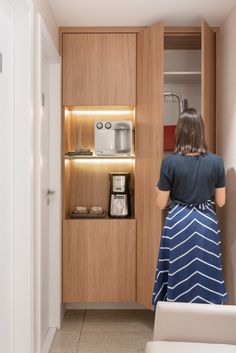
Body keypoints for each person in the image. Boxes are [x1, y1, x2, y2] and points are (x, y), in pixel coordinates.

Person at [152, 108, 228, 306]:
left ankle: (176, 316)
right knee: (206, 270)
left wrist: (157, 188)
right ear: (201, 131)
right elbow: (221, 201)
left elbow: (161, 203)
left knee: (179, 269)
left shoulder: (169, 163)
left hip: (179, 222)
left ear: (179, 132)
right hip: (206, 223)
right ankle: (207, 318)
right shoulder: (217, 162)